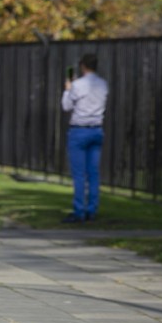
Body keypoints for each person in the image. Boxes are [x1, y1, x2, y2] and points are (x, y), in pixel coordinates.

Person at [61, 53, 108, 223]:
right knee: (93, 173)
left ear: (82, 66)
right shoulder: (103, 84)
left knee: (80, 174)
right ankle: (92, 210)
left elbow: (66, 106)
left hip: (79, 131)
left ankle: (79, 211)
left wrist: (67, 89)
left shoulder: (78, 85)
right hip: (96, 130)